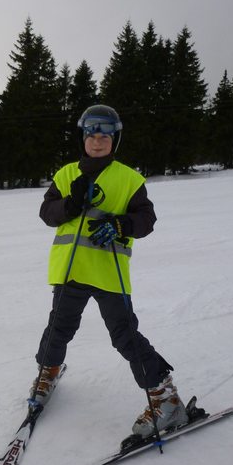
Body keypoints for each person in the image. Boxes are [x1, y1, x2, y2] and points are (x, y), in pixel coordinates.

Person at [30, 105, 188, 438]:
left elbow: (146, 220)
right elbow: (47, 213)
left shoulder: (129, 179)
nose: (98, 141)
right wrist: (70, 205)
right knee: (58, 328)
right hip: (70, 270)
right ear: (83, 138)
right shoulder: (66, 174)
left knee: (125, 335)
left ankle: (166, 398)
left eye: (105, 136)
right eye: (92, 134)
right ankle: (48, 372)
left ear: (115, 140)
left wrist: (121, 225)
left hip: (108, 273)